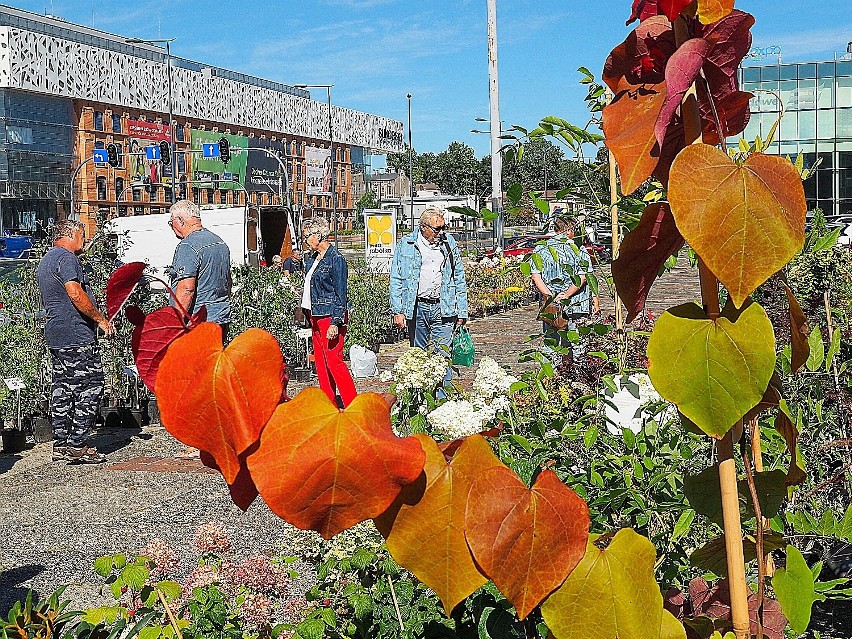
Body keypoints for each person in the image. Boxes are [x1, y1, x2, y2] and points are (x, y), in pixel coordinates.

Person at [36, 220, 115, 463]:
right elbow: (74, 292)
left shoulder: (47, 259)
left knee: (63, 387)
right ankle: (77, 444)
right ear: (70, 235)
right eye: (82, 235)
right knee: (90, 385)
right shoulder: (68, 258)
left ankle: (61, 443)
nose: (86, 240)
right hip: (76, 333)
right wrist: (101, 320)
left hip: (57, 334)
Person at [390, 208, 468, 389]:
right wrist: (397, 310)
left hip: (444, 307)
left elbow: (459, 277)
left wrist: (462, 310)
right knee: (418, 356)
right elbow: (396, 277)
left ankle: (442, 402)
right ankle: (420, 399)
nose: (441, 232)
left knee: (443, 356)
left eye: (443, 227)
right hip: (417, 308)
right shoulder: (407, 244)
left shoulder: (449, 243)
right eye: (437, 229)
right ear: (423, 227)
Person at [301, 217, 357, 407]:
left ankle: (353, 404)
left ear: (318, 235)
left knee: (334, 362)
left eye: (307, 236)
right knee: (322, 365)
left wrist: (336, 321)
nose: (305, 240)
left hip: (329, 316)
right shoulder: (312, 260)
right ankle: (329, 404)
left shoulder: (336, 259)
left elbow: (341, 293)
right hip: (315, 315)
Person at [530, 215, 594, 367]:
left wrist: (550, 295)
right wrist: (567, 294)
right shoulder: (579, 249)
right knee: (578, 345)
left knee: (551, 345)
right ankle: (579, 379)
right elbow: (583, 277)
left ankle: (549, 381)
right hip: (577, 304)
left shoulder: (541, 248)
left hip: (551, 307)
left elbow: (535, 276)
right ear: (570, 230)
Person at [168, 199, 232, 339]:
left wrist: (174, 325)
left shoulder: (188, 246)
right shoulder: (219, 242)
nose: (171, 226)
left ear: (180, 220)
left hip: (199, 322)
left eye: (170, 222)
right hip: (221, 318)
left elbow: (186, 289)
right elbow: (228, 282)